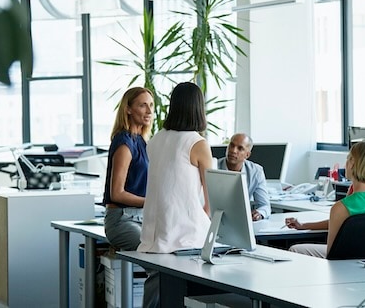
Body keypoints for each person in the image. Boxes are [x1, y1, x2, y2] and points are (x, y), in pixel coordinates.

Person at [137, 82, 212, 308]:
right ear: (198, 107)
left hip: (154, 235)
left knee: (159, 289)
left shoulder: (156, 139)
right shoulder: (197, 143)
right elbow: (212, 198)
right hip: (184, 236)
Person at [286, 140, 365, 258]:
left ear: (352, 163)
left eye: (348, 158)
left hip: (346, 262)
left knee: (295, 249)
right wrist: (304, 225)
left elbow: (332, 253)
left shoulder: (341, 207)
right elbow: (347, 223)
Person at [101, 86, 153, 252]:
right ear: (128, 109)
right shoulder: (124, 142)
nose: (149, 111)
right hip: (122, 219)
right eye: (142, 105)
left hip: (142, 217)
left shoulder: (141, 141)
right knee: (154, 252)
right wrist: (151, 202)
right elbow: (117, 193)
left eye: (151, 105)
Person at [217, 133, 271, 221]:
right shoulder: (213, 166)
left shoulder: (256, 171)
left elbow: (265, 205)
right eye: (231, 145)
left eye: (240, 148)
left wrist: (259, 213)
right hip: (214, 218)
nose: (233, 151)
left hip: (240, 220)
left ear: (247, 155)